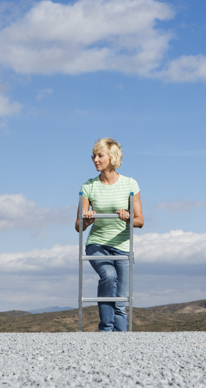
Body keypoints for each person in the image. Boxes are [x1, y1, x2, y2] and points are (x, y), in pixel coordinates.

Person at [75, 138, 144, 332]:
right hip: (97, 244)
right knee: (108, 275)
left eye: (100, 155)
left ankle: (121, 343)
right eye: (94, 156)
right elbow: (78, 226)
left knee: (120, 304)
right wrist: (88, 219)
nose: (95, 159)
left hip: (122, 246)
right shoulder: (88, 187)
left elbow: (140, 221)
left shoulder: (130, 184)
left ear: (112, 157)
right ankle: (105, 331)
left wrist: (128, 217)